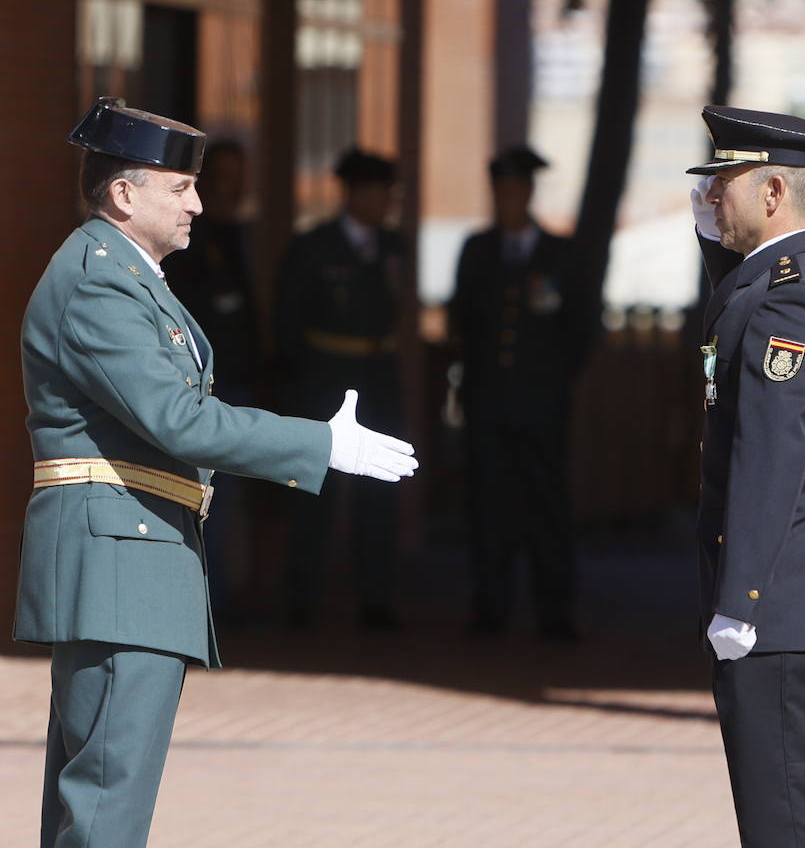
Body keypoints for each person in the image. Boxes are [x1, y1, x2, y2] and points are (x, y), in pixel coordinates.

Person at [17, 96, 418, 848]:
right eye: (180, 188)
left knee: (98, 805)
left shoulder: (123, 275)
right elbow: (177, 418)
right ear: (124, 193)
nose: (198, 203)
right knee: (106, 812)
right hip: (118, 568)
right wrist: (317, 446)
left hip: (128, 562)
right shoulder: (101, 282)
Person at [686, 105, 805, 847]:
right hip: (782, 592)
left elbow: (772, 450)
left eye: (722, 182)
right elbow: (738, 311)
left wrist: (742, 599)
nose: (710, 195)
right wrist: (713, 241)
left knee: (789, 823)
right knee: (778, 819)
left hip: (779, 597)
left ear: (770, 194)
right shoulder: (792, 278)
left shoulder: (801, 292)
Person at [447, 146, 596, 639]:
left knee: (547, 507)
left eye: (517, 189)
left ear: (530, 192)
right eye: (502, 190)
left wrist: (552, 383)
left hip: (543, 405)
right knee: (489, 506)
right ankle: (490, 608)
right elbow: (462, 323)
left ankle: (556, 612)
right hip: (489, 404)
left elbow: (581, 331)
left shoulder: (561, 254)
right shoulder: (477, 250)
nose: (509, 198)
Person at [274, 147, 407, 630]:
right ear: (354, 193)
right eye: (378, 191)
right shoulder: (314, 247)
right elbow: (288, 323)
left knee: (380, 486)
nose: (386, 201)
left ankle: (376, 598)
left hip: (378, 378)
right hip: (325, 380)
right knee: (316, 488)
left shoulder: (395, 247)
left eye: (389, 192)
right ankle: (303, 597)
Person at [161, 139, 260, 616]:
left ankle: (225, 597)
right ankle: (207, 603)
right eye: (219, 177)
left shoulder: (244, 235)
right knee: (209, 497)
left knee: (239, 501)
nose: (228, 188)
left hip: (244, 379)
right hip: (200, 388)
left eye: (238, 176)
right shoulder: (188, 238)